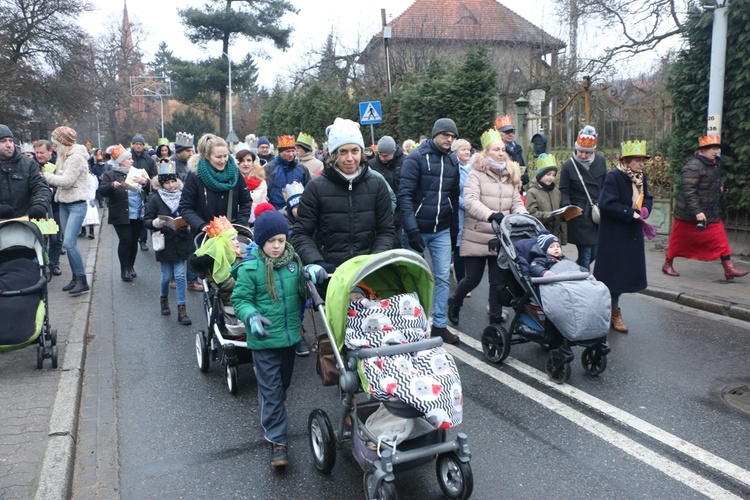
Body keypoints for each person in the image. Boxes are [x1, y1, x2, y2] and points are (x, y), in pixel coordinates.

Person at [231, 203, 327, 468]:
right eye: (271, 241)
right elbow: (240, 299)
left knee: (281, 386)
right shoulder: (251, 270)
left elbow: (302, 296)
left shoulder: (294, 264)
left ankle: (271, 412)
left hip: (289, 338)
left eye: (281, 240)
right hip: (263, 341)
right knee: (273, 391)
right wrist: (250, 315)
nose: (276, 246)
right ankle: (278, 442)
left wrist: (311, 276)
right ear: (261, 241)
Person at [291, 118, 394, 274]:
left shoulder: (377, 185)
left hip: (369, 273)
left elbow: (386, 231)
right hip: (330, 274)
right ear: (333, 154)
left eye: (355, 150)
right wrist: (315, 261)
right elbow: (301, 233)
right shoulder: (316, 187)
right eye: (343, 151)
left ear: (361, 151)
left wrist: (373, 261)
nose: (350, 158)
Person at [447, 129, 527, 327]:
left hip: (500, 236)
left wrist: (522, 214)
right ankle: (455, 301)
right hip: (477, 234)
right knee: (471, 279)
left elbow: (516, 200)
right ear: (486, 153)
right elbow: (471, 201)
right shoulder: (476, 174)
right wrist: (491, 215)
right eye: (495, 149)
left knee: (497, 281)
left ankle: (495, 318)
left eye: (502, 149)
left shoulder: (509, 175)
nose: (500, 153)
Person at [399, 118, 461, 344]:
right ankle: (414, 324)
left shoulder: (453, 161)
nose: (449, 139)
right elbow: (404, 196)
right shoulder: (416, 158)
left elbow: (453, 198)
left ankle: (440, 325)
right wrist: (412, 230)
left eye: (453, 136)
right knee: (414, 279)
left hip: (441, 229)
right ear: (435, 134)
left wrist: (454, 229)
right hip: (417, 229)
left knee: (443, 278)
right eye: (446, 134)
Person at [662, 135, 748, 281]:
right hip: (689, 214)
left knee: (720, 239)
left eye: (717, 149)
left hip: (710, 212)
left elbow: (708, 185)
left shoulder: (713, 164)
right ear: (703, 150)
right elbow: (689, 191)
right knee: (678, 241)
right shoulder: (693, 166)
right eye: (713, 149)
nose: (716, 152)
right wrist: (697, 212)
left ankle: (729, 269)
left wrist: (721, 190)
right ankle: (667, 264)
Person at [593, 140, 654, 333]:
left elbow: (648, 198)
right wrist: (629, 213)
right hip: (614, 236)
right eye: (637, 160)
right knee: (613, 278)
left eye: (643, 160)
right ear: (626, 161)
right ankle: (613, 313)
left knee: (622, 276)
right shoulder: (614, 177)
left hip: (631, 234)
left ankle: (608, 310)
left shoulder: (641, 177)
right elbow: (606, 203)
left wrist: (645, 209)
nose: (642, 164)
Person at [42, 126, 90, 296]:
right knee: (68, 244)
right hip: (63, 203)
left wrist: (46, 176)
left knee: (69, 243)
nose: (53, 146)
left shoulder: (76, 157)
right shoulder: (64, 156)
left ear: (63, 142)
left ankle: (82, 280)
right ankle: (75, 278)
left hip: (76, 204)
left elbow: (67, 181)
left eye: (55, 142)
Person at [179, 133, 252, 235]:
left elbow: (246, 202)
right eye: (218, 157)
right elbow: (185, 208)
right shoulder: (195, 175)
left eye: (225, 156)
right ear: (207, 156)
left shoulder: (235, 173)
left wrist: (239, 225)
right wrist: (202, 226)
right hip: (203, 235)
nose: (223, 161)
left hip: (231, 234)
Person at [98, 144, 151, 281]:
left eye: (131, 158)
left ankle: (131, 266)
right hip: (121, 213)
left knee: (134, 241)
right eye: (128, 158)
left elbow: (152, 187)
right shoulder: (111, 174)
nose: (132, 160)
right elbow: (102, 191)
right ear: (120, 161)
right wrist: (112, 185)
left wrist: (145, 181)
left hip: (138, 213)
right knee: (125, 240)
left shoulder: (138, 172)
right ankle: (124, 269)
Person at [559, 125, 606, 270]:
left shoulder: (600, 161)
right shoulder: (568, 166)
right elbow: (564, 190)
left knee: (596, 252)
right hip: (579, 215)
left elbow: (605, 185)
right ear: (575, 149)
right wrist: (567, 206)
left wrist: (603, 203)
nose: (583, 155)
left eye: (587, 152)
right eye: (581, 151)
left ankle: (572, 271)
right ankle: (585, 283)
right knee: (586, 254)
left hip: (597, 212)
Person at [190, 216, 244, 307]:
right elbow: (224, 284)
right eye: (233, 239)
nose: (237, 242)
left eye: (237, 239)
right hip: (233, 298)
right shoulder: (218, 260)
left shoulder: (235, 254)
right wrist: (249, 280)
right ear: (224, 243)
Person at [0, 125, 50, 220]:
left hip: (24, 223)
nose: (9, 145)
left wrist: (40, 205)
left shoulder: (29, 164)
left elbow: (41, 187)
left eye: (10, 140)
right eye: (3, 141)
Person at [368, 135, 405, 248]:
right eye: (380, 155)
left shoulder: (405, 162)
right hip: (380, 212)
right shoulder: (372, 165)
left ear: (393, 152)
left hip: (401, 213)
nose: (382, 158)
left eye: (386, 155)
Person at [33, 139, 61, 275]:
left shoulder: (58, 164)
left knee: (56, 238)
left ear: (50, 151)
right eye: (37, 153)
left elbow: (64, 183)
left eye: (42, 152)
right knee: (42, 238)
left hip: (56, 206)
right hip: (41, 208)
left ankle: (54, 264)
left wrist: (53, 190)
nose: (39, 156)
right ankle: (42, 263)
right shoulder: (32, 165)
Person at [525, 153, 567, 243]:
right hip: (539, 236)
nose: (551, 177)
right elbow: (532, 214)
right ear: (540, 175)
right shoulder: (532, 192)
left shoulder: (556, 192)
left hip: (555, 237)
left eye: (553, 175)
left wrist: (563, 238)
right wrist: (550, 216)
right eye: (548, 174)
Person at [263, 135, 311, 210]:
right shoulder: (269, 169)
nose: (291, 154)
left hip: (297, 209)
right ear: (280, 152)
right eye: (287, 151)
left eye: (293, 151)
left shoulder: (302, 169)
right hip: (276, 209)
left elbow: (309, 190)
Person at [451, 138, 473, 285]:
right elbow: (452, 192)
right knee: (459, 246)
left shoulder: (473, 167)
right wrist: (467, 205)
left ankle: (468, 278)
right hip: (459, 212)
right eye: (463, 149)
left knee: (470, 245)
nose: (467, 152)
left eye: (468, 149)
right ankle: (461, 280)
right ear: (455, 152)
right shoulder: (454, 167)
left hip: (472, 212)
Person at [131, 133, 157, 251]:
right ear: (133, 145)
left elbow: (154, 176)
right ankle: (132, 239)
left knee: (143, 216)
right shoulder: (128, 157)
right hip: (130, 190)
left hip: (144, 191)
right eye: (137, 144)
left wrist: (147, 181)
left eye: (141, 144)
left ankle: (143, 241)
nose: (139, 147)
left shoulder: (148, 160)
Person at [236, 148, 267, 224]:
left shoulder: (261, 181)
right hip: (238, 220)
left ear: (253, 163)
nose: (246, 164)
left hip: (257, 220)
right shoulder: (232, 181)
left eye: (249, 160)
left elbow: (263, 203)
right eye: (242, 161)